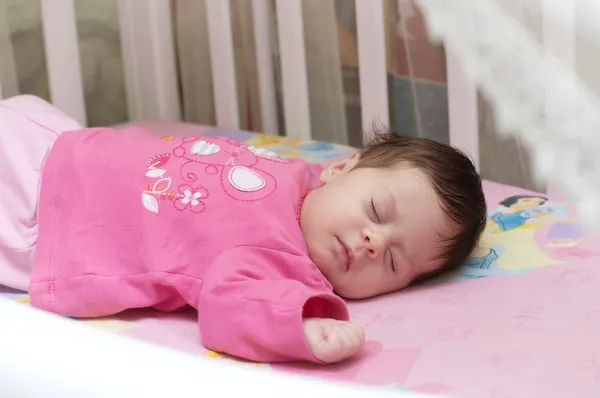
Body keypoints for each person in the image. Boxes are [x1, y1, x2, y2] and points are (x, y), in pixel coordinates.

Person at [0, 95, 486, 365]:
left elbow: (229, 309)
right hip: (60, 144)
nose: (373, 242)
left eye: (395, 262)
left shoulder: (285, 268)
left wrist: (301, 328)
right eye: (377, 210)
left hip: (50, 215)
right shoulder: (301, 177)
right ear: (342, 169)